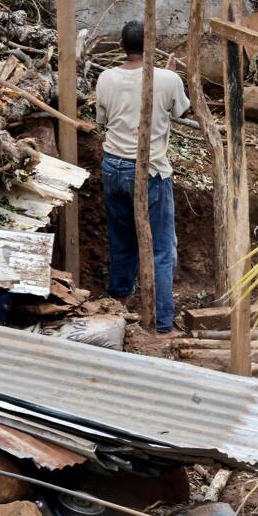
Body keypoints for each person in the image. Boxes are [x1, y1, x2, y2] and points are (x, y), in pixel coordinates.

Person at [95, 21, 190, 338]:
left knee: (122, 242)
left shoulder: (106, 77)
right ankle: (163, 323)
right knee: (162, 249)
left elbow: (102, 121)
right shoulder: (168, 79)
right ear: (150, 47)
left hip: (113, 168)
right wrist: (170, 76)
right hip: (150, 172)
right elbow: (181, 113)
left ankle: (117, 307)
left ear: (121, 46)